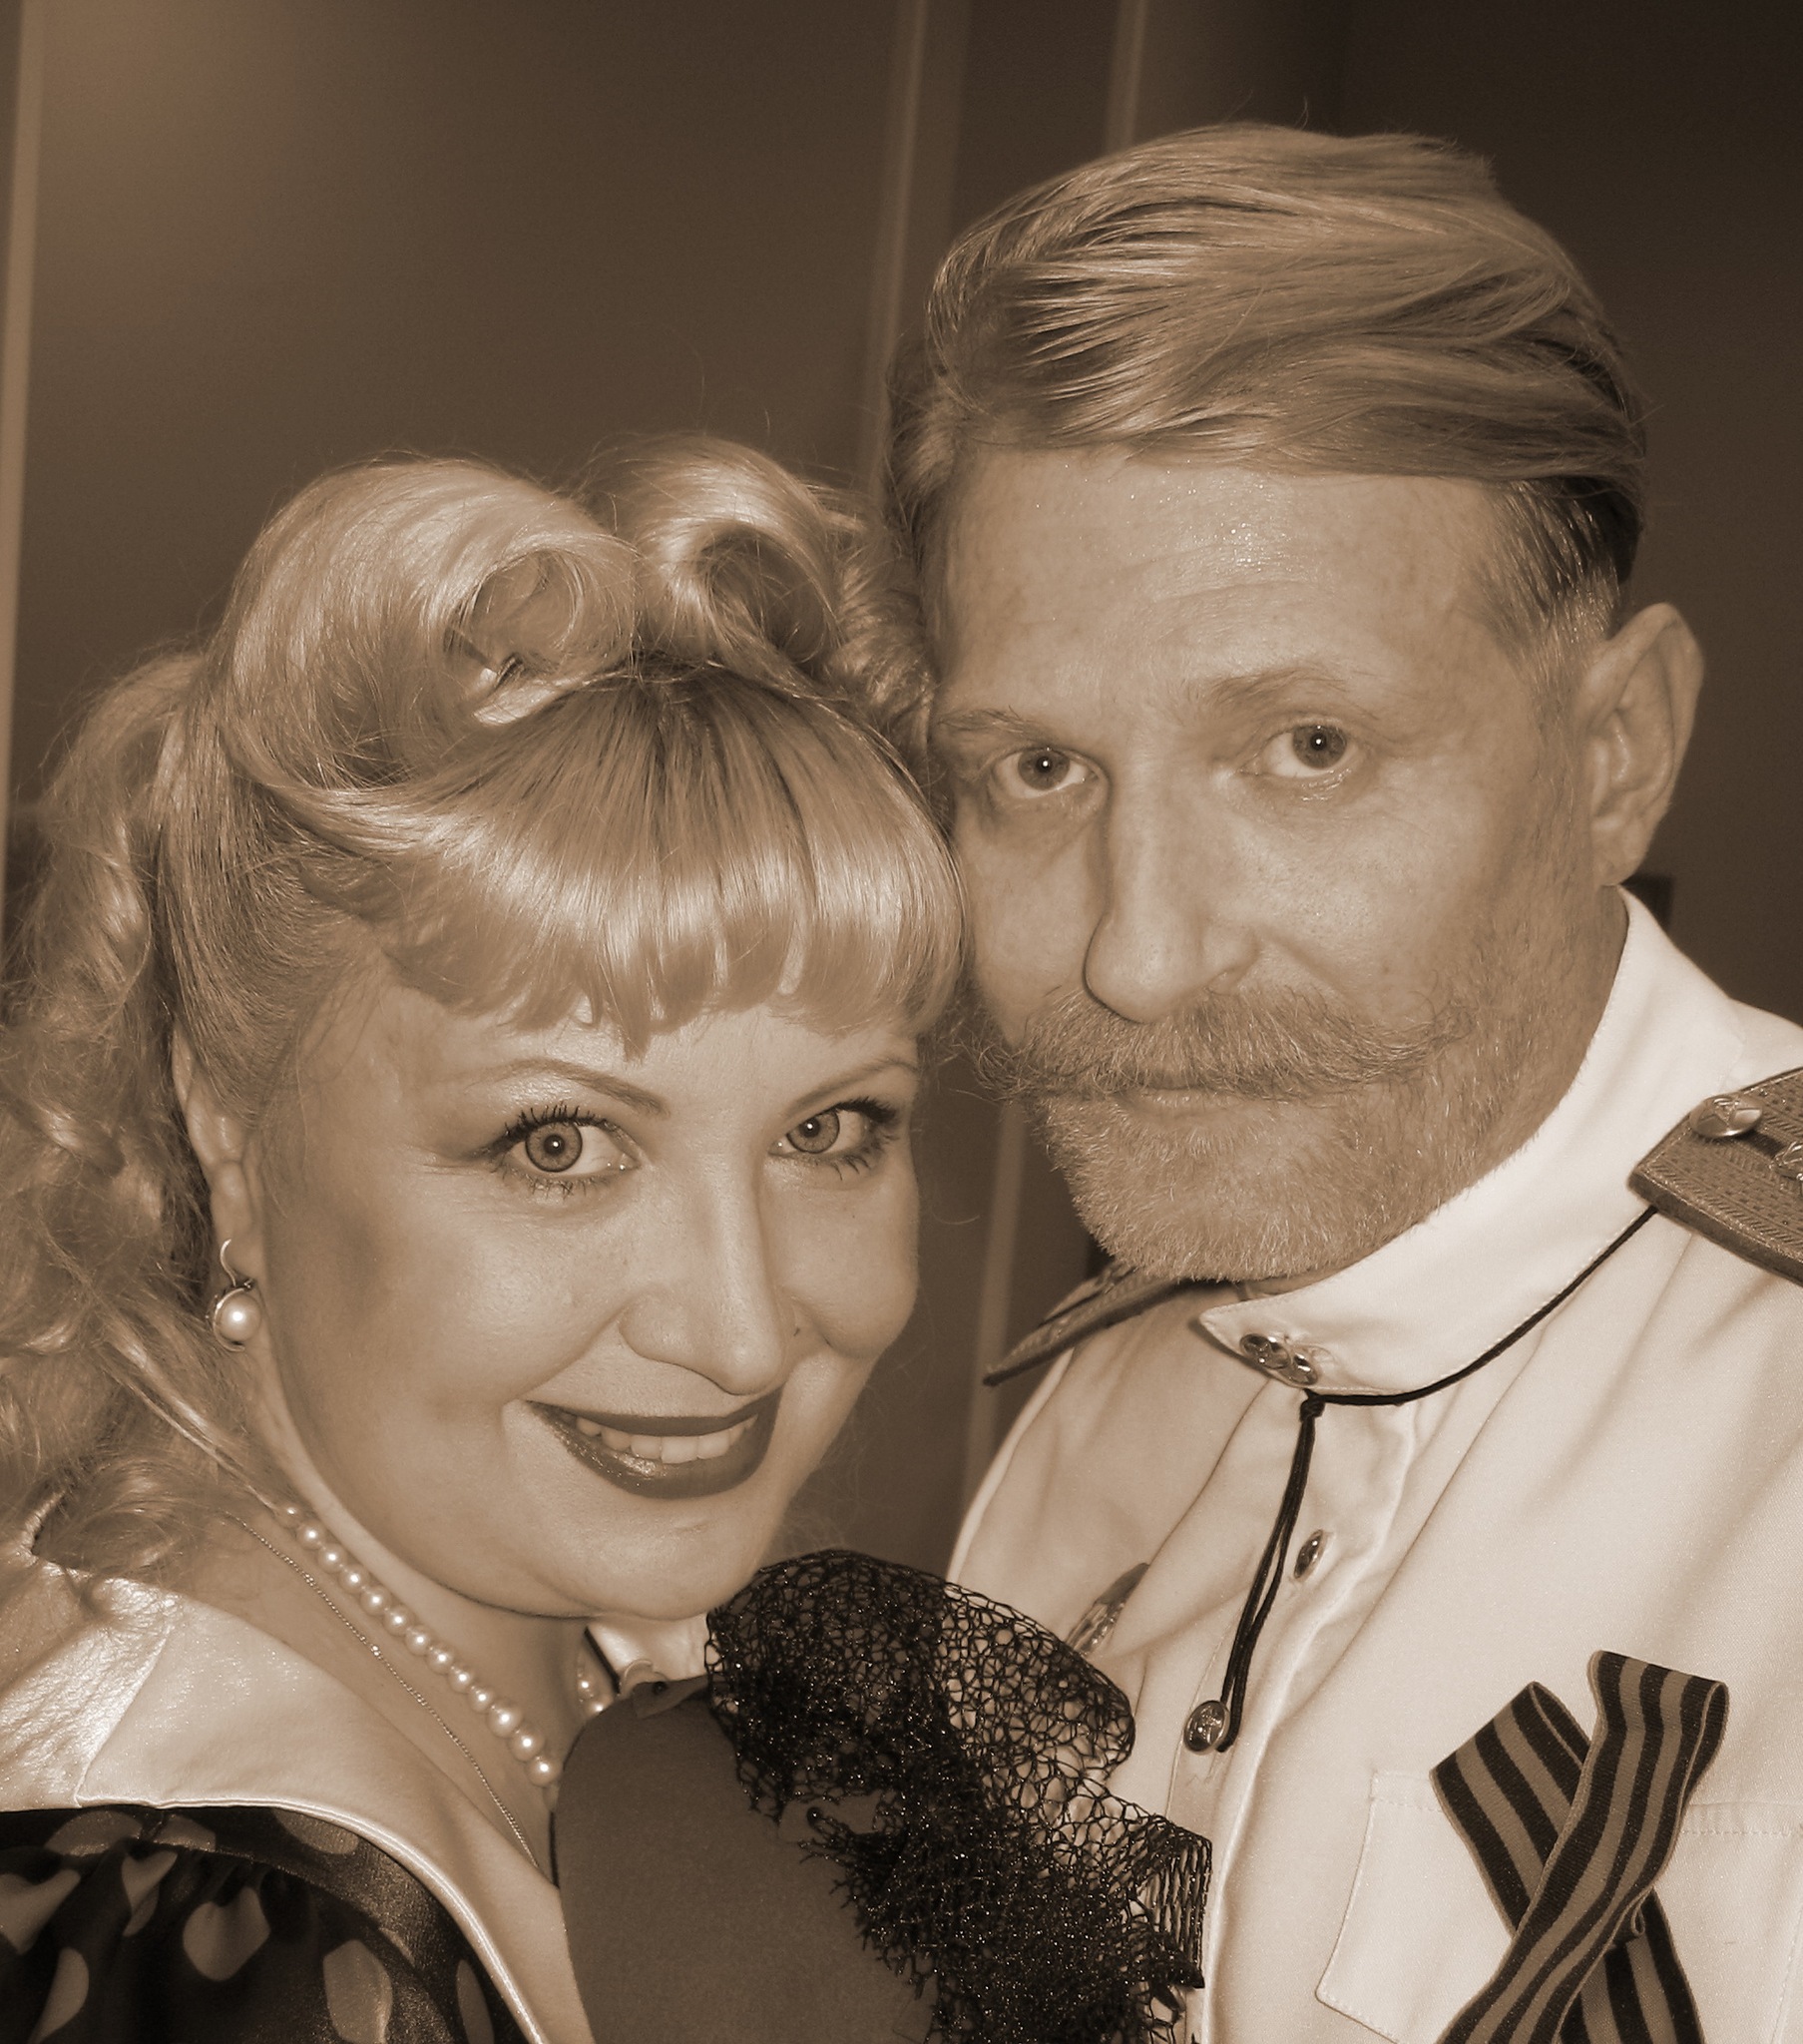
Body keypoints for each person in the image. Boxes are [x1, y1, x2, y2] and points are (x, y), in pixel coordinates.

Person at [881, 123, 1803, 2040]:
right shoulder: (1101, 1396)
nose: (1139, 958)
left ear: (1616, 756)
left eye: (1309, 747)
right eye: (1038, 771)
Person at [0, 439, 964, 2040]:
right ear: (227, 1123)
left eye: (830, 1130)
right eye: (560, 1144)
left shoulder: (588, 1641)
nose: (740, 1329)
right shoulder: (221, 1929)